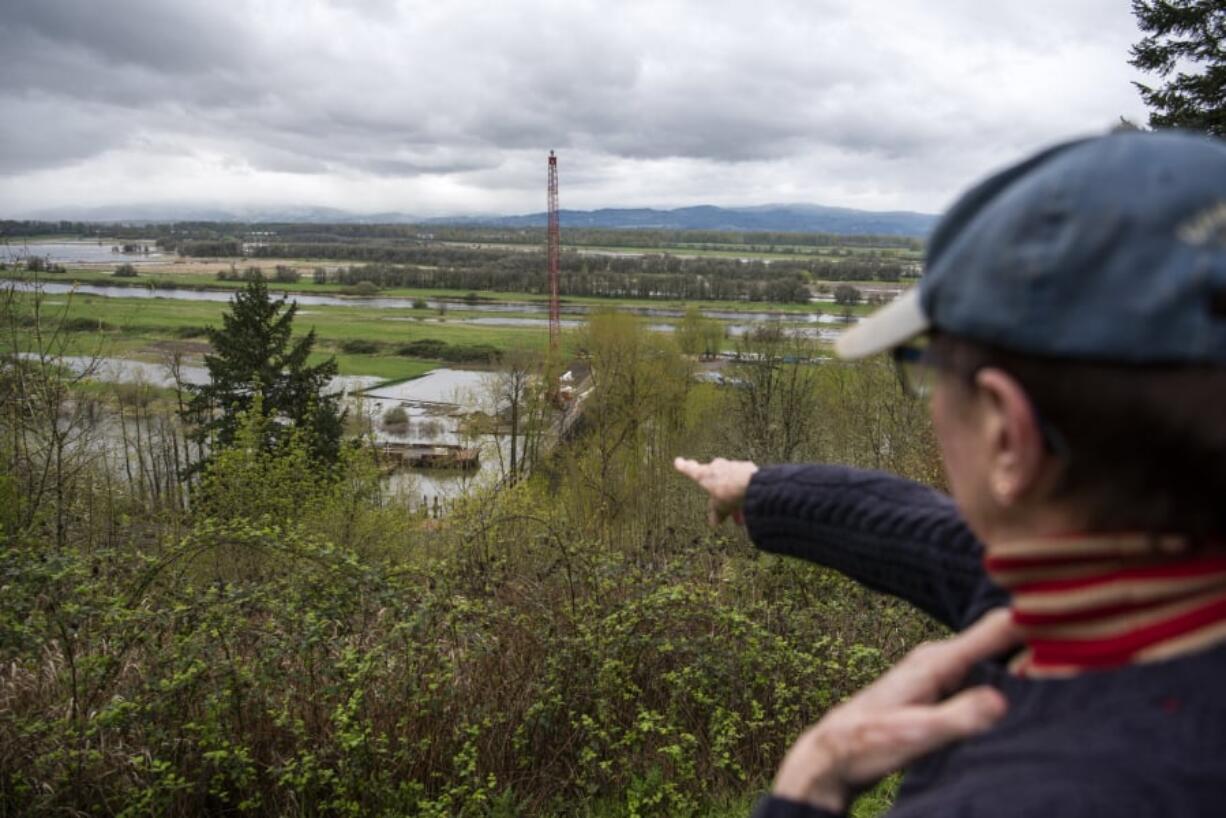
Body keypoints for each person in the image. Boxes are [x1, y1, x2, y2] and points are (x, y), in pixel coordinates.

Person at [676, 130, 1226, 817]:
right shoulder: (1139, 600)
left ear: (1007, 434)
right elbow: (941, 544)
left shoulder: (1019, 796)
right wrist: (761, 491)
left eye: (929, 371)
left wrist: (808, 787)